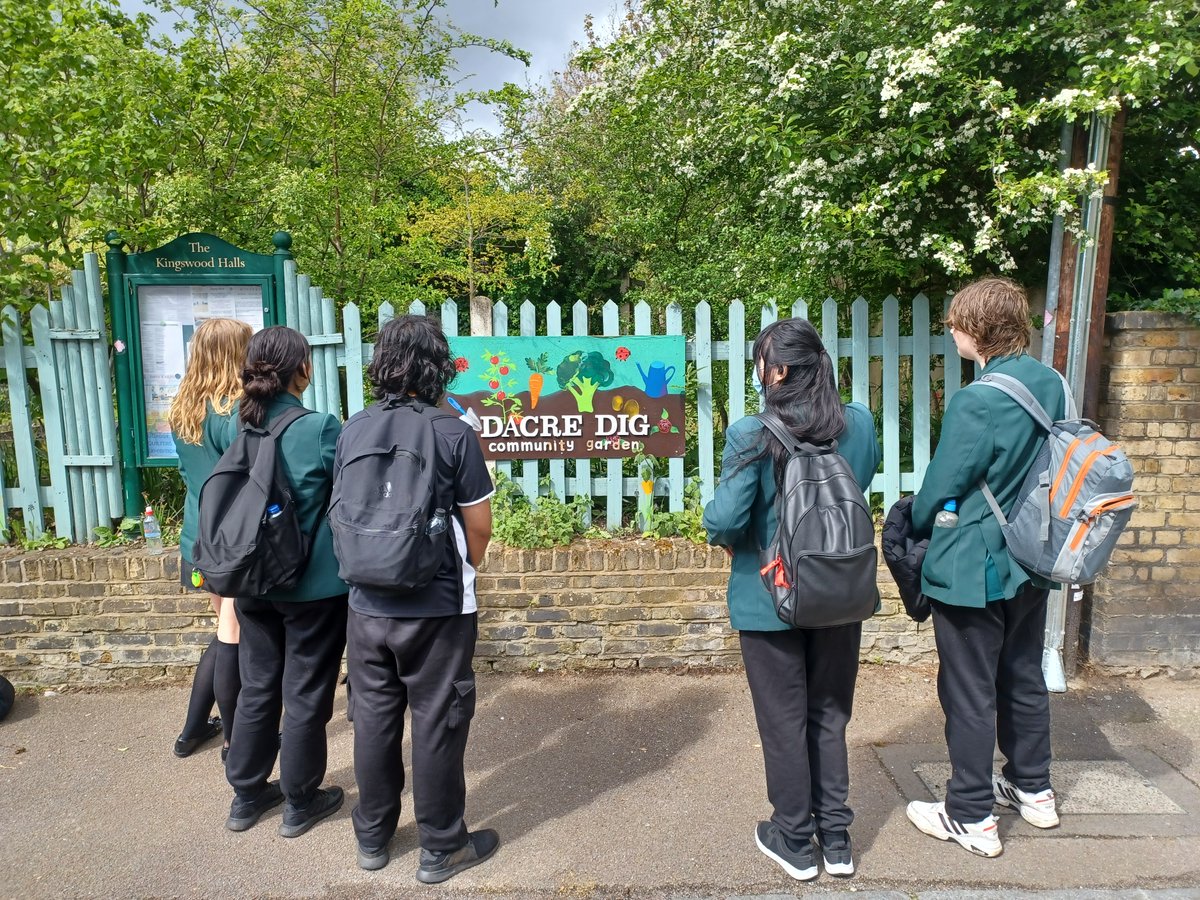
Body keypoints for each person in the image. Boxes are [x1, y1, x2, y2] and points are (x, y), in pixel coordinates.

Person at [703, 318, 881, 881]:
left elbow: (727, 517)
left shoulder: (752, 433)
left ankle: (793, 839)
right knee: (829, 714)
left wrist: (725, 533)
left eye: (762, 362)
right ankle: (837, 838)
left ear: (776, 369)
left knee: (783, 722)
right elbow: (860, 484)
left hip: (769, 597)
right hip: (838, 589)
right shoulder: (857, 422)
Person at [905, 276, 1065, 858]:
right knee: (1022, 673)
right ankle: (1034, 790)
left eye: (953, 324)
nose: (950, 333)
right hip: (1034, 556)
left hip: (976, 564)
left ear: (975, 330)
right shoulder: (1052, 384)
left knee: (969, 688)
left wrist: (915, 518)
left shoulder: (979, 399)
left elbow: (945, 484)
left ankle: (970, 813)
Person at [337, 315, 498, 881]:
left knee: (373, 720)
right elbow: (478, 526)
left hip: (364, 605)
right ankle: (440, 848)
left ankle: (373, 838)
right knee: (437, 721)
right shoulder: (453, 433)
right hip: (436, 607)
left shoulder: (354, 428)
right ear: (438, 367)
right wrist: (465, 569)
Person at [219, 325, 349, 838]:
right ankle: (300, 799)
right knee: (305, 692)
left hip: (250, 581)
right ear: (303, 370)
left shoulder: (237, 425)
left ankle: (247, 795)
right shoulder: (319, 428)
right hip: (311, 586)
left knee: (258, 686)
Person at [167, 317, 252, 760]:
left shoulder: (184, 405)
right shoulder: (235, 411)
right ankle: (236, 742)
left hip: (197, 536)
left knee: (224, 630)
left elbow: (189, 474)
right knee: (232, 636)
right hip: (230, 541)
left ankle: (193, 729)